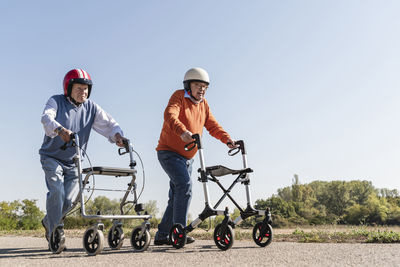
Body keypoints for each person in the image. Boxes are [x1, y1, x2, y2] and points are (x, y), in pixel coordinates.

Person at [39, 68, 127, 252]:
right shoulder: (56, 101)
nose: (83, 92)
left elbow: (109, 124)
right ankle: (56, 230)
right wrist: (60, 130)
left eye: (86, 89)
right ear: (68, 88)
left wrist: (118, 136)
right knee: (56, 190)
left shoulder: (91, 108)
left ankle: (49, 221)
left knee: (70, 201)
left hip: (73, 161)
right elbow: (46, 118)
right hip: (52, 156)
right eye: (79, 88)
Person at [154, 67, 236, 245]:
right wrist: (181, 130)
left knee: (177, 194)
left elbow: (213, 125)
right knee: (185, 186)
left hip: (187, 158)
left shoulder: (204, 104)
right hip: (168, 152)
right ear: (188, 85)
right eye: (198, 85)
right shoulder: (179, 96)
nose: (202, 89)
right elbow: (169, 114)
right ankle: (179, 232)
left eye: (205, 86)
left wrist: (227, 139)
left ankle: (162, 235)